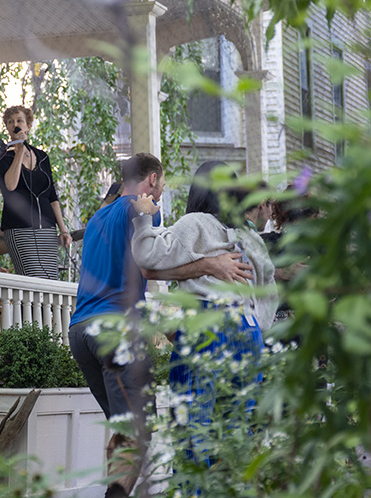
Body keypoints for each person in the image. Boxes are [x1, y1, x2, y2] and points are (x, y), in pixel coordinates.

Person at [68, 153, 254, 498]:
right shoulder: (138, 209)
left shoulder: (96, 219)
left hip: (81, 331)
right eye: (162, 186)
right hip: (116, 331)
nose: (160, 196)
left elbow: (120, 282)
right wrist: (209, 265)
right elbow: (151, 268)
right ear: (152, 179)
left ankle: (117, 488)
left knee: (126, 427)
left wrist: (172, 331)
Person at [129, 161, 278, 469]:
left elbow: (147, 255)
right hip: (247, 332)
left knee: (192, 426)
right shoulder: (249, 237)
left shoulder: (195, 223)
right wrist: (256, 327)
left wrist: (143, 218)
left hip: (206, 327)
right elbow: (269, 291)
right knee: (239, 431)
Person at [0, 105, 71, 279]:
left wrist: (63, 229)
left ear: (28, 125)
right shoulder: (2, 157)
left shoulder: (42, 157)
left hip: (46, 229)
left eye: (20, 121)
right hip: (19, 228)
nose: (15, 124)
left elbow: (52, 196)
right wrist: (19, 150)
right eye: (10, 122)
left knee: (50, 280)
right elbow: (10, 186)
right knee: (32, 281)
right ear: (7, 127)